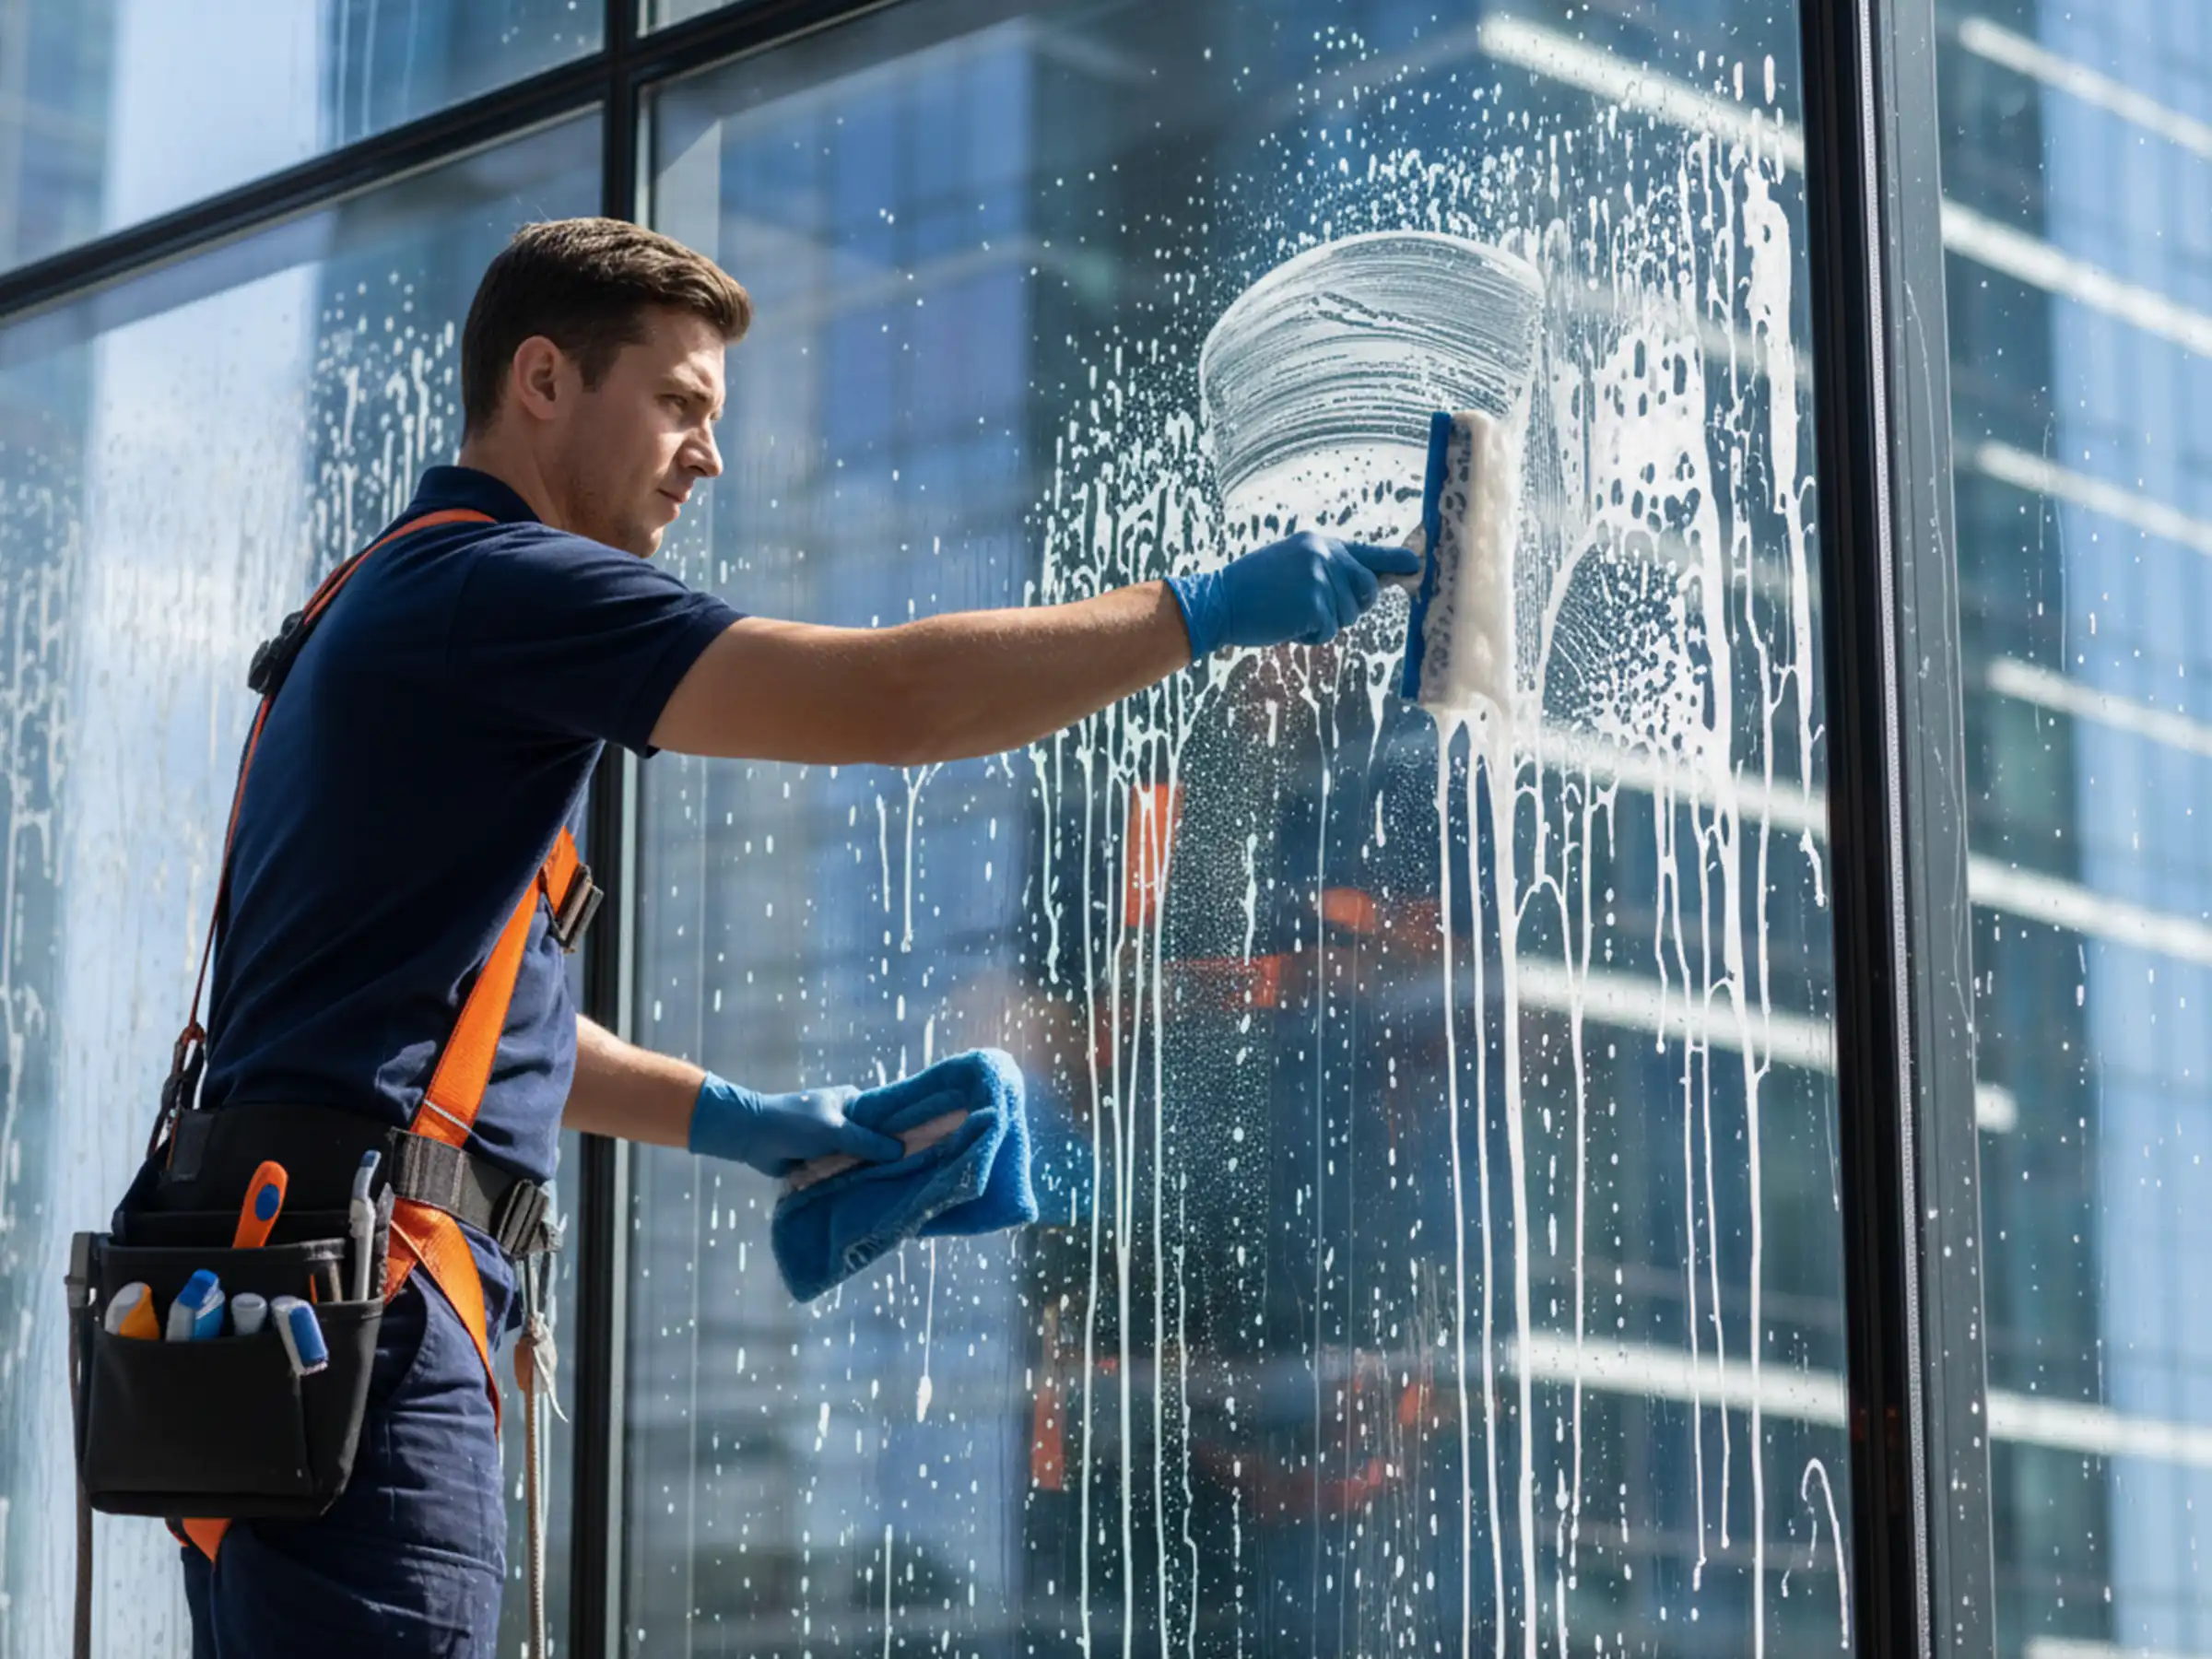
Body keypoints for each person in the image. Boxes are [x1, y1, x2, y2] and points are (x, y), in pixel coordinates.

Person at [171, 217, 1415, 1654]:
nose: (708, 454)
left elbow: (455, 1036)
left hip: (302, 1319)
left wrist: (751, 1121)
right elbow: (889, 708)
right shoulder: (497, 588)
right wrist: (1196, 614)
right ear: (543, 382)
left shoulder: (395, 606)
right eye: (680, 403)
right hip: (368, 1331)